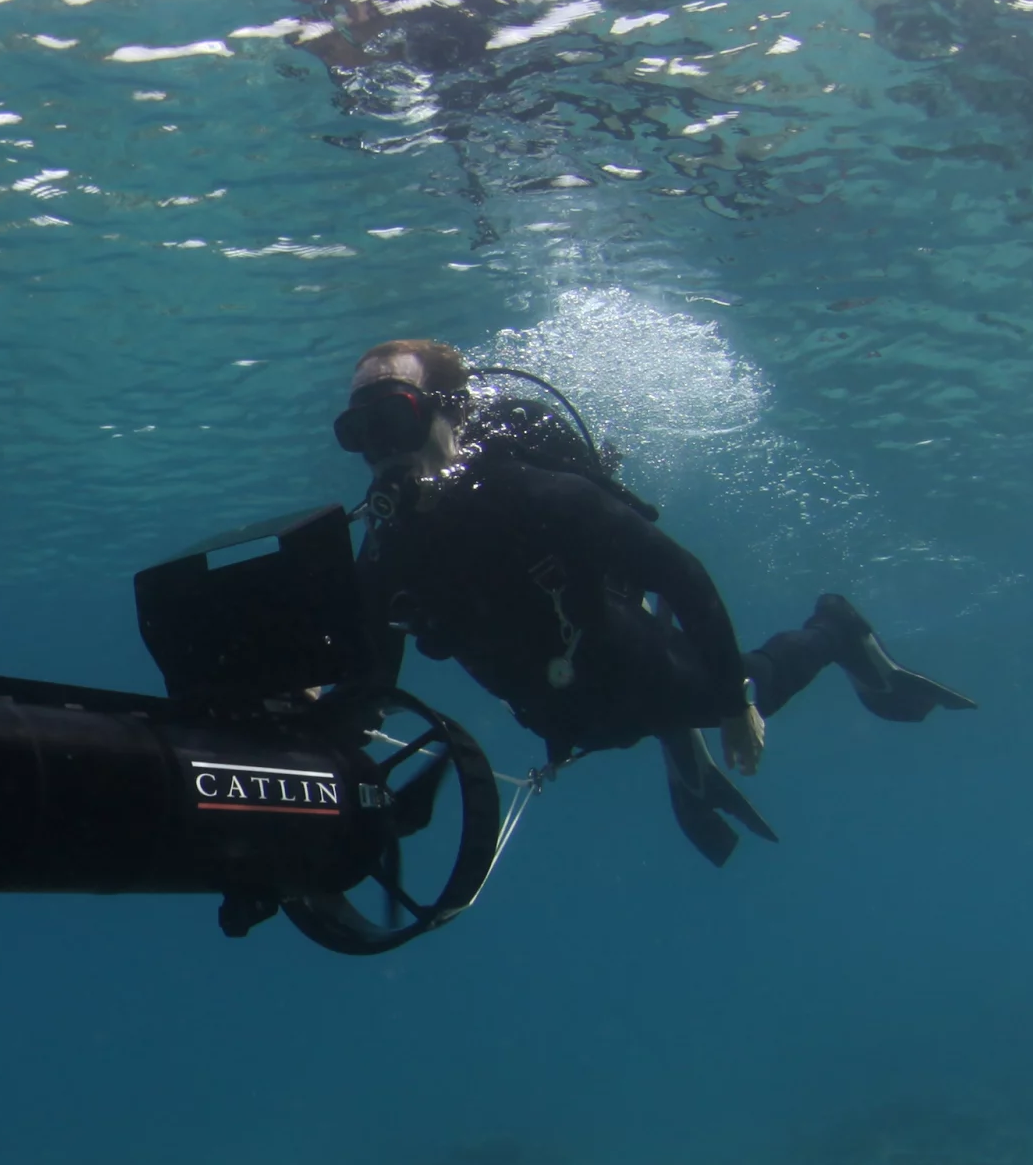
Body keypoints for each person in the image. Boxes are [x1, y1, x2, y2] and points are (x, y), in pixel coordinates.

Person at [337, 337, 975, 862]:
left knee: (755, 688)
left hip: (640, 680)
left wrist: (732, 703)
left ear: (451, 412)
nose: (379, 451)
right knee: (628, 720)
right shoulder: (391, 541)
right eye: (358, 433)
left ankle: (835, 628)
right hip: (569, 715)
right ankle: (680, 739)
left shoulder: (542, 497)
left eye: (392, 421)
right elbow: (372, 663)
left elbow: (683, 576)